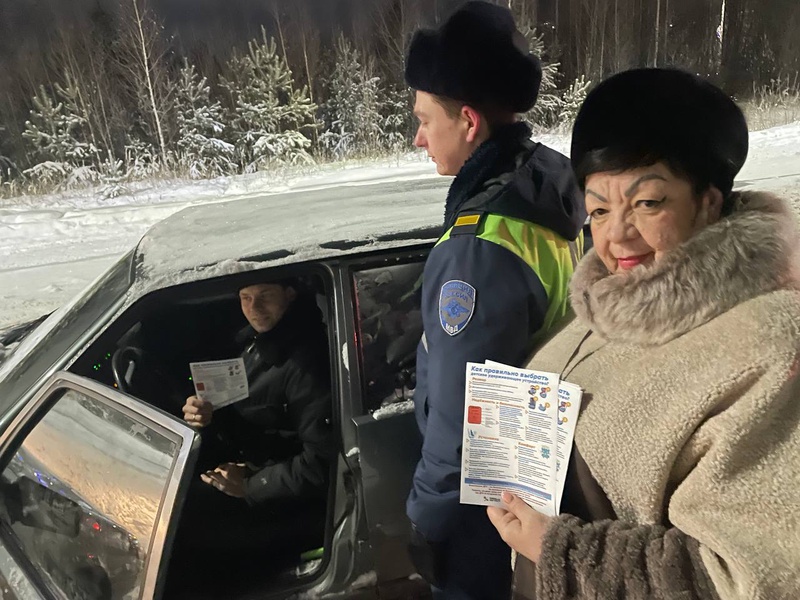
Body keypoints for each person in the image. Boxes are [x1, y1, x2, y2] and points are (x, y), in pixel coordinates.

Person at [487, 68, 800, 600]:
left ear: (708, 200)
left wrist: (564, 552)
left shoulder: (767, 346)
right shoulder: (599, 315)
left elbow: (755, 579)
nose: (617, 235)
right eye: (599, 209)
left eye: (648, 203)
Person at [403, 2, 586, 598]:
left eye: (427, 120)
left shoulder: (478, 246)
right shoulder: (542, 189)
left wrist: (426, 520)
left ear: (470, 123)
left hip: (485, 503)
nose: (419, 137)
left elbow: (460, 415)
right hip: (540, 474)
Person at [169, 279, 333, 589]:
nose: (253, 308)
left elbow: (323, 463)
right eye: (245, 298)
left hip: (291, 499)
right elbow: (253, 414)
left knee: (183, 524)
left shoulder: (305, 364)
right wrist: (206, 416)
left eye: (265, 296)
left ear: (289, 294)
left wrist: (251, 485)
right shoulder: (255, 342)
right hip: (259, 467)